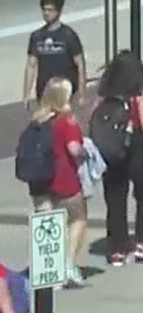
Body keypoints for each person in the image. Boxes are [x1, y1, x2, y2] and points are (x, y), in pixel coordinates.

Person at [21, 78, 87, 287]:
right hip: (63, 180)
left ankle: (49, 271)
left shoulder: (36, 120)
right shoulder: (66, 121)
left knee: (48, 225)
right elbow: (74, 149)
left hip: (39, 181)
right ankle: (67, 265)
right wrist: (88, 154)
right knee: (77, 218)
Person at [98, 51, 143, 266]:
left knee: (115, 197)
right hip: (135, 145)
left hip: (112, 148)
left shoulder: (106, 93)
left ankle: (118, 247)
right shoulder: (137, 93)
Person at [23, 0, 86, 108]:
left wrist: (81, 94)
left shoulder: (69, 35)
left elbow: (80, 65)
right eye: (44, 10)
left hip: (65, 91)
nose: (46, 13)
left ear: (59, 11)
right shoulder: (36, 36)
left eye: (50, 10)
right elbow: (31, 65)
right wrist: (26, 94)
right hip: (44, 91)